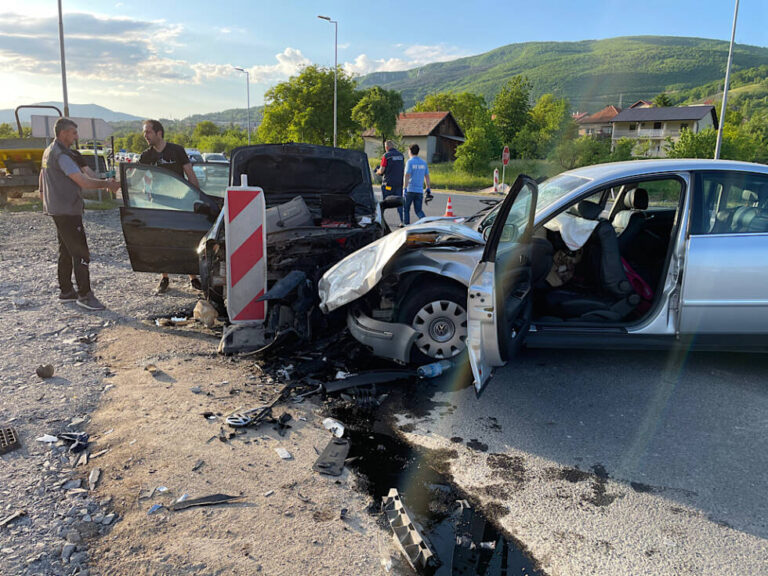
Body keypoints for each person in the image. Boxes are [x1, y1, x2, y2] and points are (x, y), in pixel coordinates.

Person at [40, 118, 121, 311]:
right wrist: (107, 185)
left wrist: (44, 198)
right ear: (63, 133)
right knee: (80, 253)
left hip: (58, 208)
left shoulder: (50, 151)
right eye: (73, 133)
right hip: (67, 210)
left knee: (66, 250)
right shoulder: (62, 155)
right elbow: (83, 181)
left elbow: (42, 178)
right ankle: (85, 295)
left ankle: (66, 291)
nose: (76, 137)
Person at [139, 119, 202, 294]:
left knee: (185, 239)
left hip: (181, 201)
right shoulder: (146, 156)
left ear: (159, 133)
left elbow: (190, 174)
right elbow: (141, 179)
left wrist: (197, 198)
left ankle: (193, 277)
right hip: (159, 204)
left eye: (148, 132)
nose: (145, 136)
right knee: (161, 240)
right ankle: (164, 277)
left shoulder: (177, 150)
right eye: (144, 133)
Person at [375, 140, 404, 224]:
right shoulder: (401, 155)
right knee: (399, 203)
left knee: (383, 203)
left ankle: (380, 221)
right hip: (399, 184)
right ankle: (402, 221)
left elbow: (382, 170)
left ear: (386, 147)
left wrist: (377, 171)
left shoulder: (386, 156)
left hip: (388, 184)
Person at [402, 143, 431, 225]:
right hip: (419, 190)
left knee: (406, 208)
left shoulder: (409, 162)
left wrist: (405, 188)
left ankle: (406, 225)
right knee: (418, 210)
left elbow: (407, 175)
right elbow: (427, 177)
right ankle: (426, 223)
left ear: (410, 151)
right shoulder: (423, 163)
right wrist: (428, 188)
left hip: (410, 189)